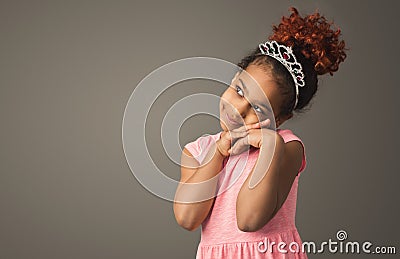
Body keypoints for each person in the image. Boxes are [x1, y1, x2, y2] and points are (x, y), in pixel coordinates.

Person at [173, 7, 347, 259]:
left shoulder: (287, 147)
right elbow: (187, 218)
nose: (239, 108)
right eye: (239, 91)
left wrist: (270, 147)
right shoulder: (197, 151)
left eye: (258, 107)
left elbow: (249, 219)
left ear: (279, 118)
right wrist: (218, 152)